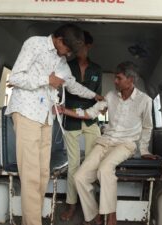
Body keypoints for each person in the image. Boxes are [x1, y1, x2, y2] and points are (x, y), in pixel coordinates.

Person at [5, 24, 103, 225]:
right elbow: (15, 77)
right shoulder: (34, 44)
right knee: (31, 175)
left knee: (42, 174)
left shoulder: (61, 61)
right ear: (58, 39)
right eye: (67, 49)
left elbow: (73, 85)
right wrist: (46, 79)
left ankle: (29, 221)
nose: (68, 55)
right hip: (26, 112)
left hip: (45, 116)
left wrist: (95, 95)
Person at [61, 61, 157, 225]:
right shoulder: (111, 96)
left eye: (118, 78)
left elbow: (147, 127)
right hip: (105, 141)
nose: (115, 81)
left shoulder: (145, 101)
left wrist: (144, 150)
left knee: (105, 169)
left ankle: (111, 216)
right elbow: (90, 113)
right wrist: (65, 111)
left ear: (130, 80)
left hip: (125, 144)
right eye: (115, 78)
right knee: (79, 177)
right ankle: (93, 216)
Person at [60, 31, 103, 221]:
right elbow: (63, 91)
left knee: (92, 163)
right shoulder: (66, 66)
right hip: (71, 120)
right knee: (73, 165)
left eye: (82, 45)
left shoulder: (97, 69)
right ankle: (71, 204)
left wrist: (99, 108)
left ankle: (90, 205)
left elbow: (98, 96)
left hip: (91, 120)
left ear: (89, 46)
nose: (78, 48)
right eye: (76, 45)